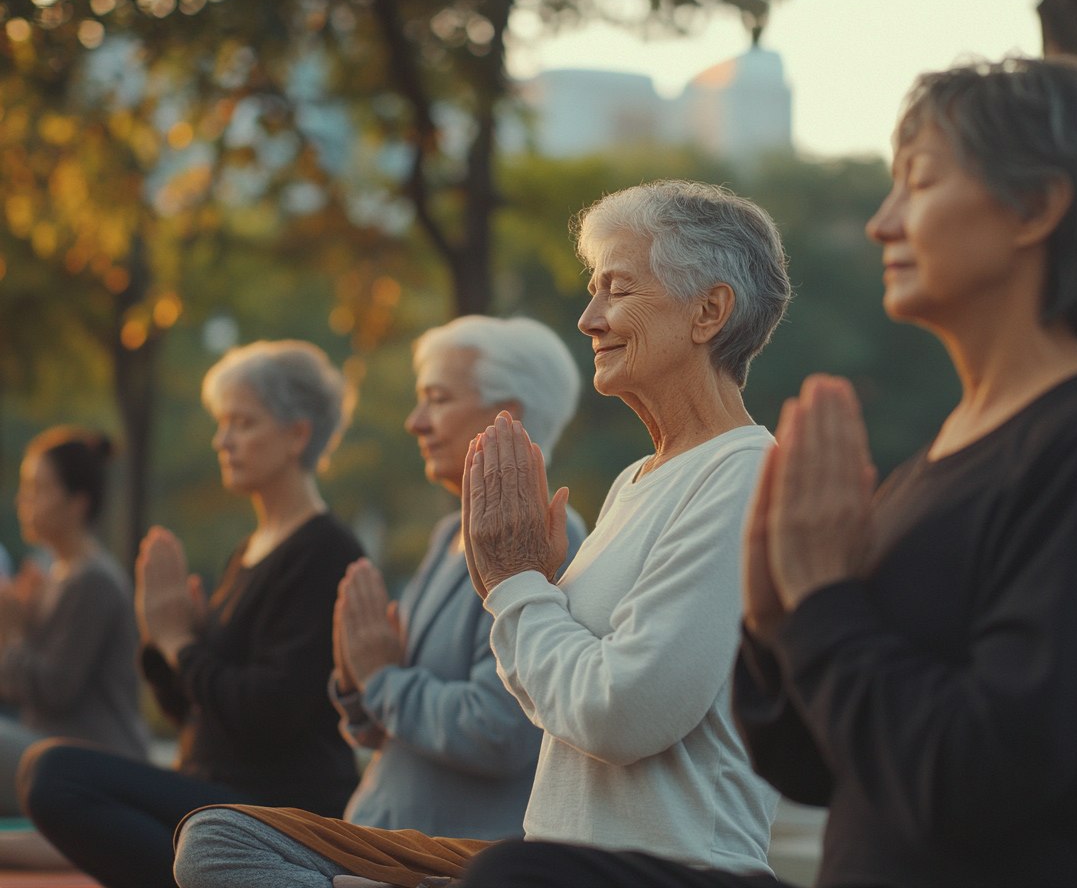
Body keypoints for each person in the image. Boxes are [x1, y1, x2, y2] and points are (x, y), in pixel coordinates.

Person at [456, 56, 1077, 888]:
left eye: (919, 183)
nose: (882, 222)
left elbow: (981, 771)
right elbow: (810, 764)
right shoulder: (933, 468)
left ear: (1037, 207)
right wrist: (780, 610)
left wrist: (817, 603)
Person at [172, 179, 791, 888]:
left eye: (617, 290)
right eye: (593, 291)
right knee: (222, 841)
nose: (589, 318)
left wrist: (517, 584)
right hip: (536, 860)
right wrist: (530, 595)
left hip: (655, 870)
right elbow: (553, 700)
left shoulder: (744, 477)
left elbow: (621, 714)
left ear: (709, 310)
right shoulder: (635, 481)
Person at [22, 341, 364, 888]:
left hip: (277, 809)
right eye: (221, 423)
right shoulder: (249, 549)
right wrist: (163, 642)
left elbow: (269, 713)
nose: (222, 440)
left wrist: (181, 642)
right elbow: (193, 716)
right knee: (47, 774)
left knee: (56, 774)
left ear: (297, 434)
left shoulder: (324, 550)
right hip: (213, 785)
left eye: (242, 423)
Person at [331, 316, 587, 838]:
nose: (416, 421)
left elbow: (498, 733)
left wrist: (380, 681)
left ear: (506, 417)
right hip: (376, 840)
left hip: (443, 864)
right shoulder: (450, 532)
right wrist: (358, 679)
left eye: (438, 399)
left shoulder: (547, 541)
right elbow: (386, 727)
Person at [0, 428, 150, 813]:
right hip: (54, 752)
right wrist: (24, 622)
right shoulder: (59, 576)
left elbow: (54, 690)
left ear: (77, 503)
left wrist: (13, 632)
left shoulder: (93, 579)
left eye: (38, 489)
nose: (23, 500)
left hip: (98, 764)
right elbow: (15, 689)